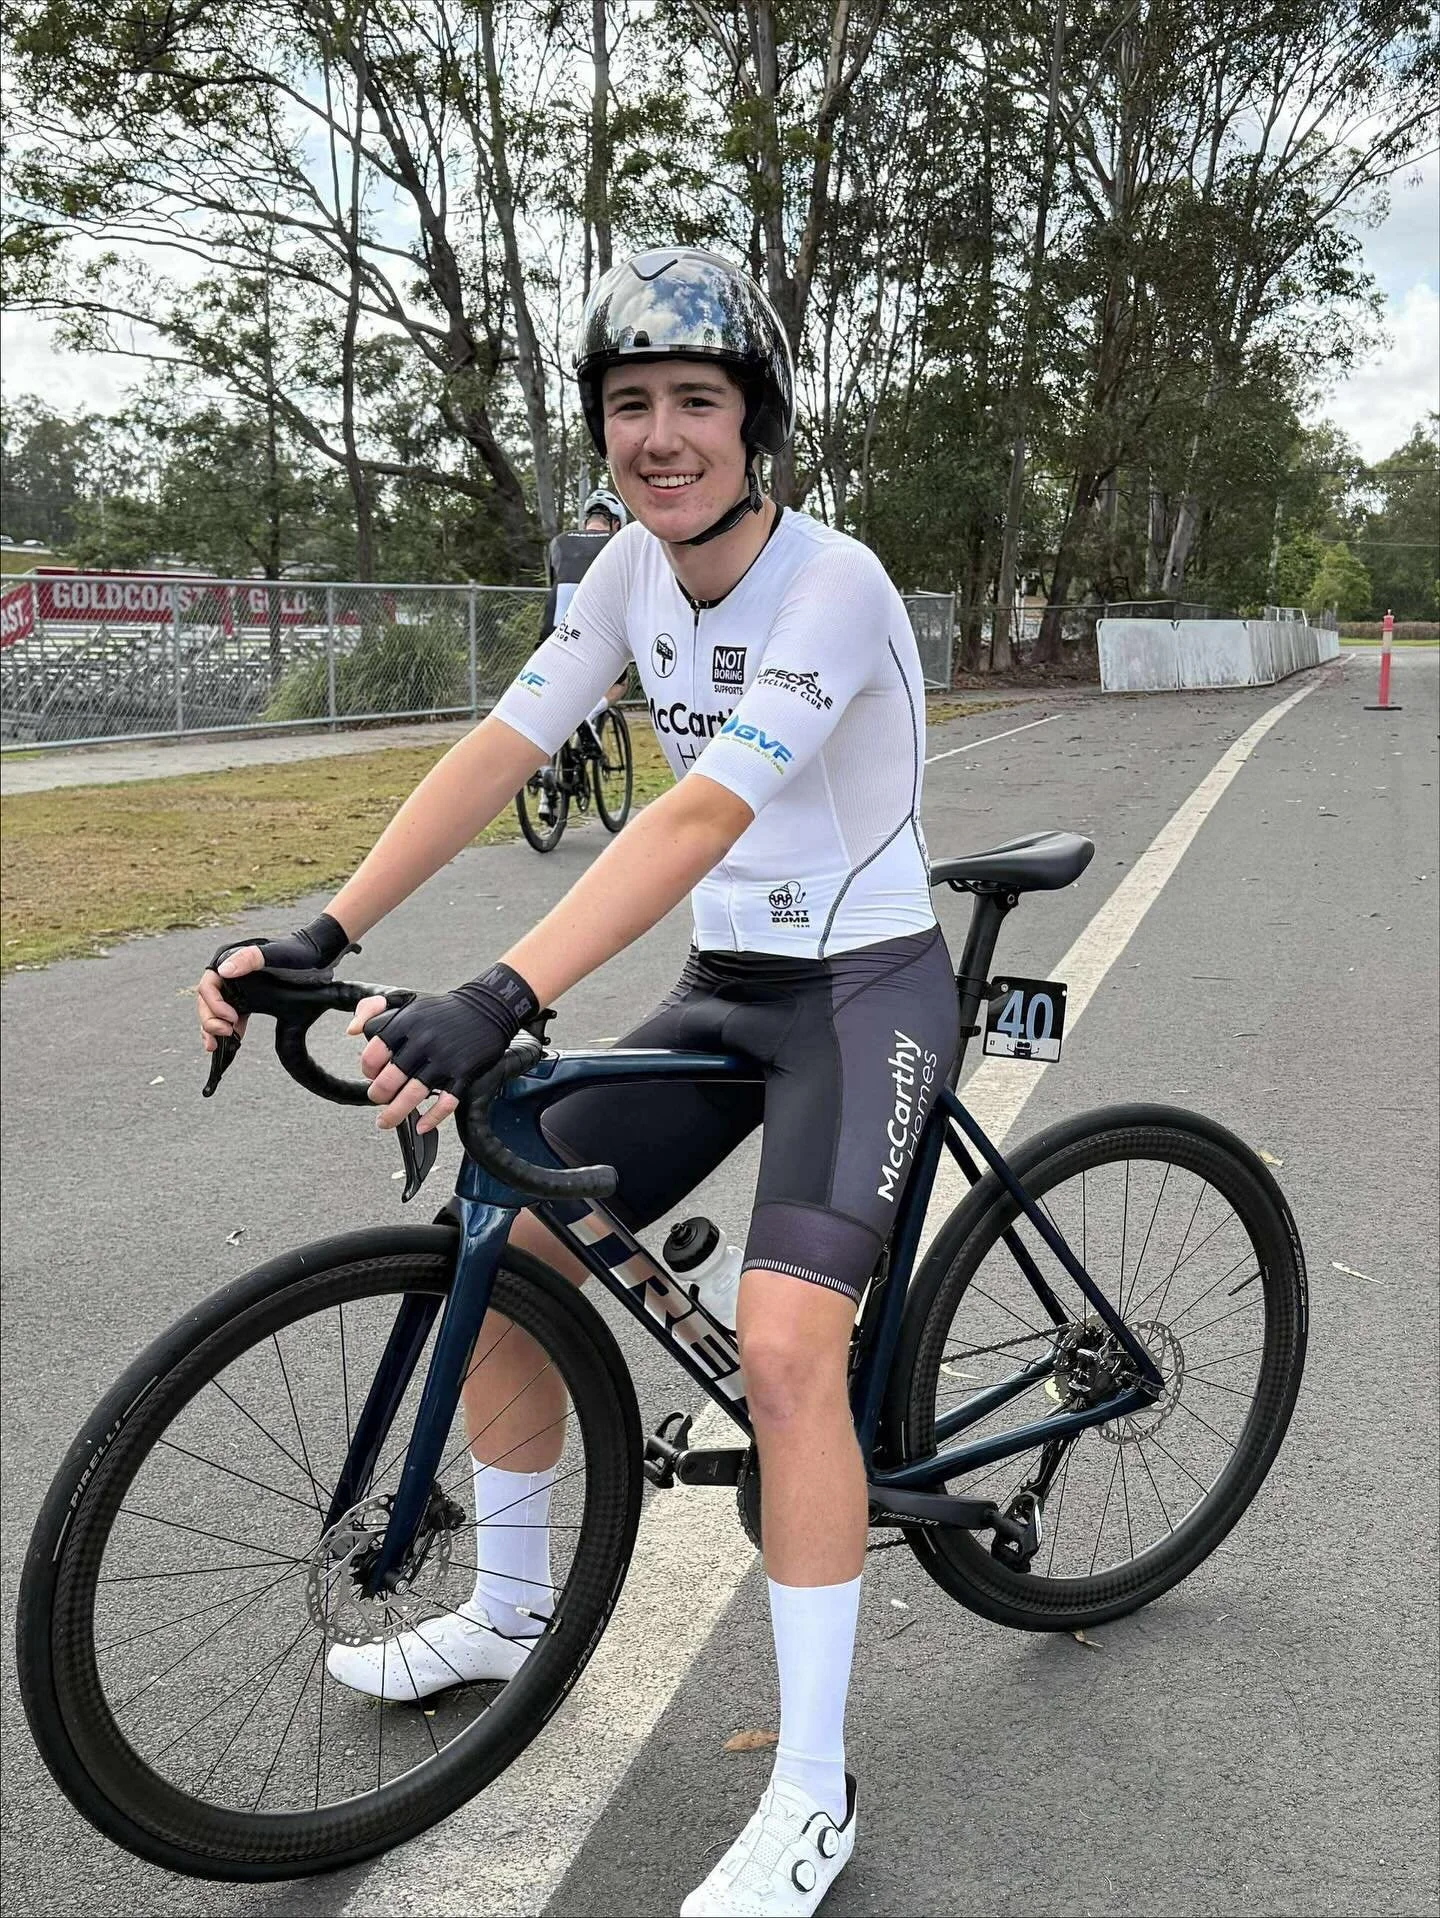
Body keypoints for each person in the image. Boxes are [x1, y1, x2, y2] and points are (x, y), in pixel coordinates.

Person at [196, 245, 957, 1918]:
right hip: (732, 984)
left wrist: (507, 987)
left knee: (781, 1353)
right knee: (524, 1245)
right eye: (630, 406)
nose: (661, 434)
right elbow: (499, 750)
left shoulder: (832, 581)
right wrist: (322, 925)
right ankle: (514, 1603)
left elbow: (701, 815)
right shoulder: (622, 572)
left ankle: (813, 1788)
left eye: (696, 402)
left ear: (755, 424)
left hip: (864, 989)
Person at [538, 488, 629, 819]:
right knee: (620, 682)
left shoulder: (559, 542)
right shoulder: (618, 544)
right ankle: (591, 713)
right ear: (615, 523)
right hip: (594, 630)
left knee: (550, 703)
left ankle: (546, 792)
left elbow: (556, 581)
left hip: (553, 630)